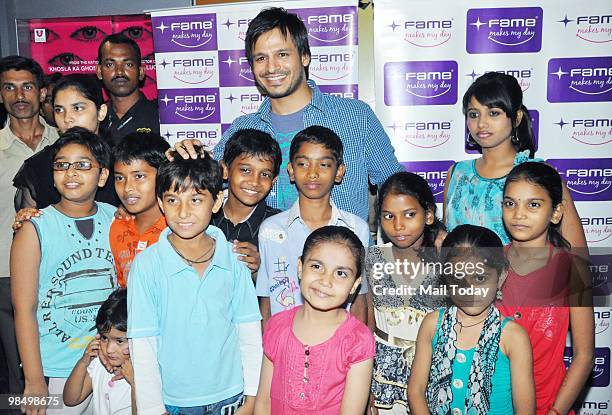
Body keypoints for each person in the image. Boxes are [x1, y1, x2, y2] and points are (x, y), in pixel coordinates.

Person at [172, 7, 402, 221]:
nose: (271, 68)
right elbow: (205, 183)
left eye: (282, 54)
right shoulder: (243, 129)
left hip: (344, 258)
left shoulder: (355, 117)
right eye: (261, 58)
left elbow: (396, 185)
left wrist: (430, 237)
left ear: (305, 57)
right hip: (264, 261)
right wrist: (187, 158)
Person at [127, 148, 262, 414]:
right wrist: (153, 409)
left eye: (196, 200)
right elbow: (142, 344)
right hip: (175, 402)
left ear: (216, 201)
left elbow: (248, 332)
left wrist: (252, 397)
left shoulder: (234, 258)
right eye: (173, 200)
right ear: (161, 203)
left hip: (232, 396)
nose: (183, 212)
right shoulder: (147, 265)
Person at [11, 127, 117, 415]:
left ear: (103, 175)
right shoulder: (34, 228)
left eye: (83, 165)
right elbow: (24, 308)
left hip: (110, 363)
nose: (71, 172)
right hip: (56, 367)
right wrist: (34, 380)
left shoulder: (117, 219)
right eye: (62, 165)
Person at [443, 72, 586, 247]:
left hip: (526, 274)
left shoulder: (540, 173)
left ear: (516, 118)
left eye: (493, 113)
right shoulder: (457, 173)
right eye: (473, 114)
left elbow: (577, 256)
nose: (481, 123)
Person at [498, 162, 594, 415]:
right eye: (510, 203)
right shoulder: (488, 265)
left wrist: (556, 412)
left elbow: (584, 356)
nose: (519, 214)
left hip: (550, 405)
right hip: (493, 404)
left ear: (555, 213)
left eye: (533, 204)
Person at [408, 224, 535, 415]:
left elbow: (525, 410)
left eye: (480, 278)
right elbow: (416, 391)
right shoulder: (433, 325)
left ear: (501, 277)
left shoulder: (513, 337)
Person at [255, 225, 375, 414]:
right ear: (301, 267)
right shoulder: (277, 326)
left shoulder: (358, 340)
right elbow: (263, 403)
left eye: (341, 273)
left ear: (355, 285)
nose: (326, 281)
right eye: (317, 266)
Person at [256, 126, 370, 325]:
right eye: (303, 164)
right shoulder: (270, 230)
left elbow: (361, 300)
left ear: (339, 172)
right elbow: (266, 302)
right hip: (284, 347)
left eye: (324, 165)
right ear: (291, 171)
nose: (313, 173)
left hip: (339, 347)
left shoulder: (357, 228)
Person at [0, 55, 59, 399]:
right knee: (17, 373)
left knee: (57, 367)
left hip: (60, 270)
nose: (19, 95)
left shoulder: (64, 142)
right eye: (9, 87)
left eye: (27, 87)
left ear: (42, 93)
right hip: (6, 274)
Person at [367, 172, 446, 415]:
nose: (398, 225)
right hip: (382, 378)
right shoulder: (373, 259)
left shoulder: (446, 260)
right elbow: (367, 323)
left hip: (432, 373)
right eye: (388, 216)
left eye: (409, 214)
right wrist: (364, 383)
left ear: (429, 215)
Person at [13, 74, 118, 210]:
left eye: (77, 108)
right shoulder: (39, 166)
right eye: (59, 110)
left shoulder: (121, 161)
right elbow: (28, 225)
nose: (67, 118)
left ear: (101, 112)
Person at [212, 129, 282, 278]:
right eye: (245, 170)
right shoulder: (204, 216)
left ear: (273, 181)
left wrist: (261, 270)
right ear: (225, 170)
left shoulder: (281, 226)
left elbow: (287, 291)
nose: (254, 182)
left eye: (265, 174)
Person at [110, 131, 170, 287]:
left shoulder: (178, 227)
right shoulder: (117, 226)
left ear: (163, 175)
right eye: (119, 178)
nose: (128, 187)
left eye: (139, 176)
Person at [64, 288, 135, 414]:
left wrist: (135, 384)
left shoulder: (143, 373)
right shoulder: (98, 365)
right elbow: (71, 399)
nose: (109, 349)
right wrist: (83, 363)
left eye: (119, 341)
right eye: (104, 338)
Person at [97, 33, 159, 146]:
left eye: (128, 64)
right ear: (99, 72)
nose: (119, 72)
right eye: (110, 64)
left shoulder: (161, 116)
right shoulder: (93, 119)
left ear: (141, 72)